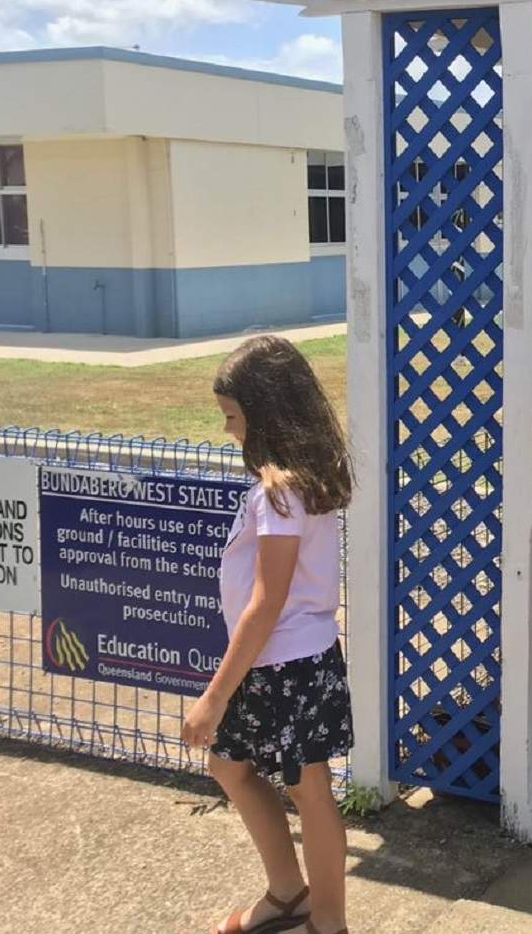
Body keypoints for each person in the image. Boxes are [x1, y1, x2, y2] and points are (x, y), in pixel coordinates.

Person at [182, 336, 354, 934]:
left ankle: (327, 922)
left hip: (291, 667)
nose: (228, 430)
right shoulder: (292, 484)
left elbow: (266, 603)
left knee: (311, 790)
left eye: (233, 417)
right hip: (272, 666)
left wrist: (214, 695)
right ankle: (289, 892)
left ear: (267, 413)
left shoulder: (281, 492)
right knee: (229, 767)